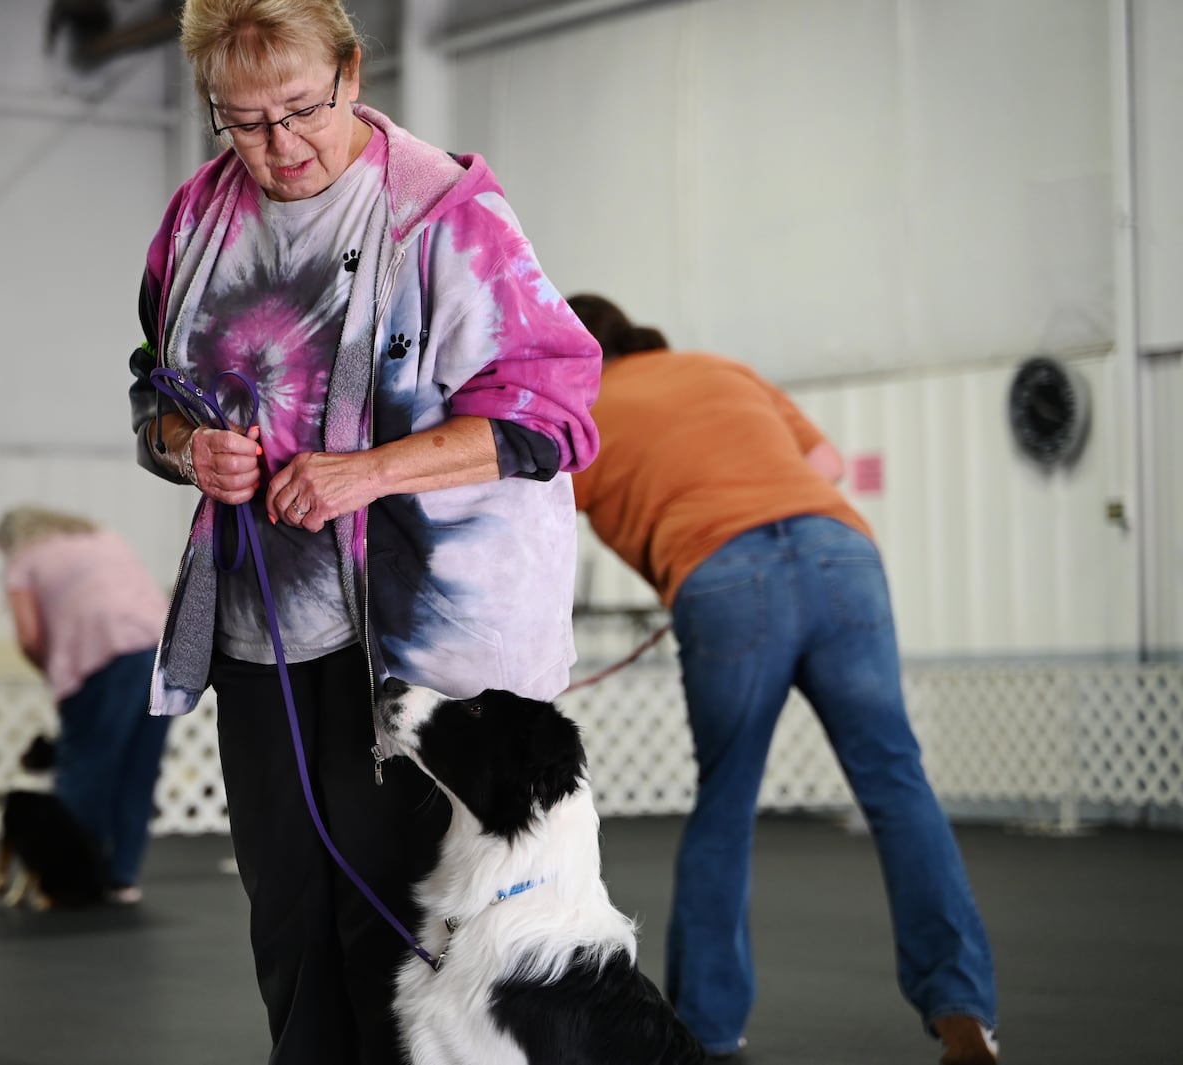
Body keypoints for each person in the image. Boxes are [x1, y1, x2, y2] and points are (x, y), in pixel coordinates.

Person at [126, 2, 601, 1060]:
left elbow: (552, 418)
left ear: (352, 71)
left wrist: (370, 473)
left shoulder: (448, 214)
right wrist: (183, 447)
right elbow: (149, 390)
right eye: (241, 122)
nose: (279, 148)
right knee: (288, 920)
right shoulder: (194, 221)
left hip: (425, 642)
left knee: (392, 930)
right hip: (266, 623)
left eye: (302, 109)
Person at [566, 293, 1000, 1065]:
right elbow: (826, 465)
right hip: (840, 553)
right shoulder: (720, 368)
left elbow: (533, 519)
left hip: (721, 576)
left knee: (726, 806)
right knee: (899, 786)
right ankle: (965, 1017)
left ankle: (709, 1032)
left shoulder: (586, 404)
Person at [0, 505, 171, 903]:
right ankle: (122, 878)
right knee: (138, 770)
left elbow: (28, 636)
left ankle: (71, 882)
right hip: (159, 652)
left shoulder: (23, 558)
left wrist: (54, 670)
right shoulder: (104, 537)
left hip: (99, 659)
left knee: (86, 771)